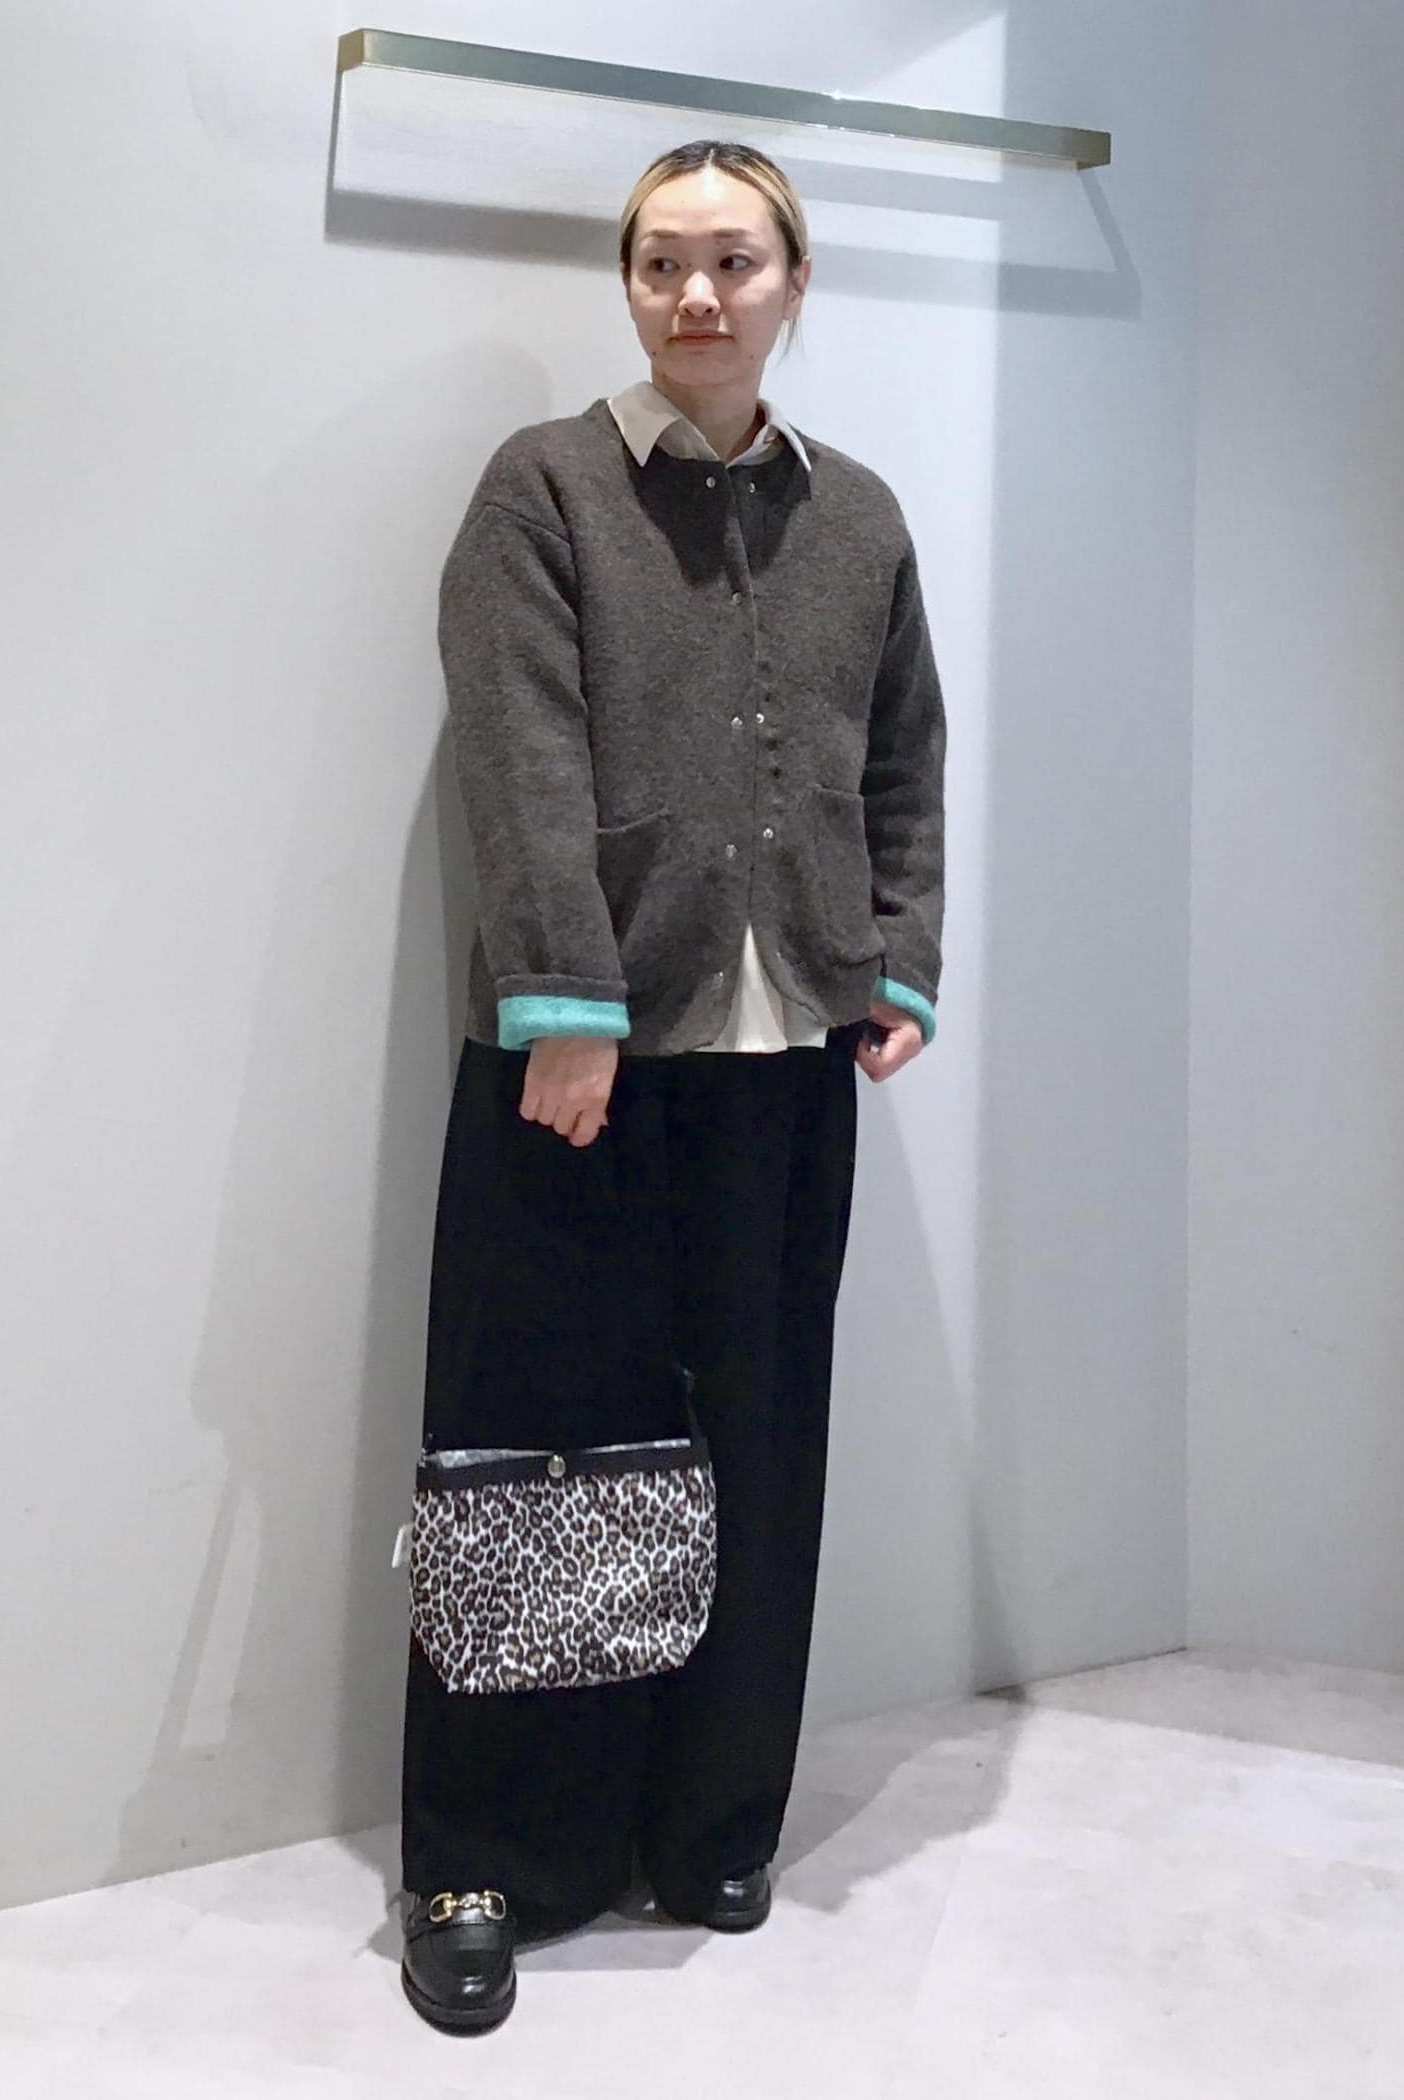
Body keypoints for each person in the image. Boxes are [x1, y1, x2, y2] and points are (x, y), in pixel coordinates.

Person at [398, 137, 947, 2034]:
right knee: (539, 1454)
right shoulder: (545, 487)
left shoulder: (859, 516)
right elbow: (519, 749)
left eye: (733, 261)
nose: (696, 295)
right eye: (659, 262)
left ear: (795, 281)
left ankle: (711, 1820)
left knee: (757, 1447)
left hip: (790, 1061)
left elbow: (906, 754)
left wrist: (898, 960)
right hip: (590, 1060)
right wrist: (563, 1001)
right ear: (626, 284)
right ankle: (489, 1859)